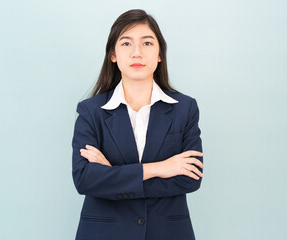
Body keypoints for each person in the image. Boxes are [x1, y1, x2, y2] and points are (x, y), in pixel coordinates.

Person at [71, 9, 204, 240]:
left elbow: (190, 178)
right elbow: (85, 179)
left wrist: (112, 175)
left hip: (168, 233)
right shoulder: (91, 111)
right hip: (105, 233)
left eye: (147, 43)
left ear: (160, 53)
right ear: (113, 54)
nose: (136, 53)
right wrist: (160, 168)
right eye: (126, 43)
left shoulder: (185, 108)